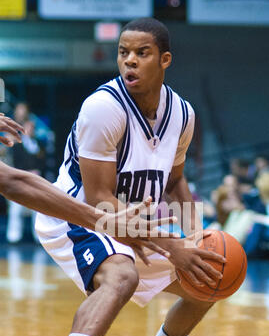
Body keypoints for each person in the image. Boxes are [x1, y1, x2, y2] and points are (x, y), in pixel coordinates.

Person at [23, 18, 226, 336]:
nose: (129, 61)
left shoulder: (182, 114)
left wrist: (193, 235)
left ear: (165, 60)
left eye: (142, 53)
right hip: (77, 215)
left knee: (211, 273)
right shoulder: (103, 108)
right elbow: (100, 201)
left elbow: (176, 181)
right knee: (121, 274)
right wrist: (172, 247)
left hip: (134, 219)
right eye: (123, 53)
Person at [0, 112, 175, 264]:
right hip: (28, 179)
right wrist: (105, 222)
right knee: (121, 278)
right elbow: (13, 182)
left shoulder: (35, 143)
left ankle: (31, 240)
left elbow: (20, 176)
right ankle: (13, 240)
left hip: (35, 175)